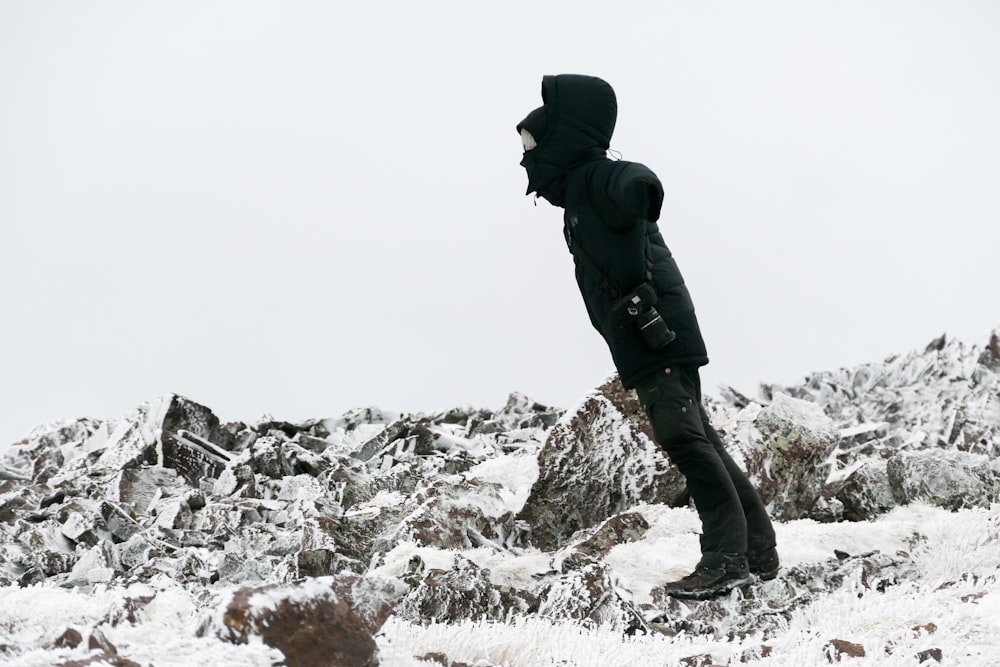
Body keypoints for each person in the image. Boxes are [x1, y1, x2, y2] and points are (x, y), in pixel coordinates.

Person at [516, 74, 778, 600]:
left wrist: (640, 195)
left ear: (563, 138)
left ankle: (726, 559)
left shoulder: (597, 178)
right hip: (648, 333)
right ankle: (758, 553)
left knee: (684, 439)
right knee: (700, 437)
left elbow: (636, 180)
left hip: (655, 331)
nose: (526, 160)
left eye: (531, 147)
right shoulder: (580, 197)